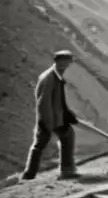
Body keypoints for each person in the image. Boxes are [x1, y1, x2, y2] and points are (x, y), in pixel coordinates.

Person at [22, 50, 79, 181]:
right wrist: (47, 123)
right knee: (42, 143)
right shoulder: (49, 78)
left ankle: (29, 174)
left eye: (69, 62)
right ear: (58, 61)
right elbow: (44, 103)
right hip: (49, 119)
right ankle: (65, 171)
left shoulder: (56, 76)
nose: (68, 65)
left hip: (55, 118)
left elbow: (58, 100)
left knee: (63, 137)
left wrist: (68, 114)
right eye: (66, 62)